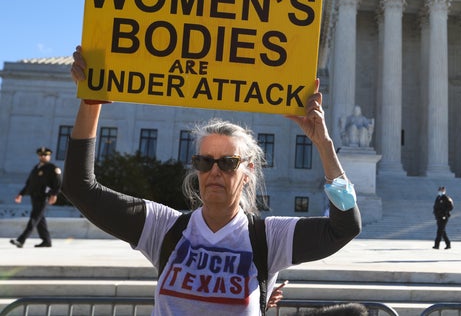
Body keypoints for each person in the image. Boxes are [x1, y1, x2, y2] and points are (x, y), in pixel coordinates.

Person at [64, 46, 361, 315]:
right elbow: (79, 187)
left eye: (228, 163)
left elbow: (345, 226)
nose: (214, 171)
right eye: (204, 162)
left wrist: (323, 144)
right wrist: (90, 103)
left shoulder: (270, 238)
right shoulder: (163, 228)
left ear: (248, 172)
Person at [10, 146, 62, 248]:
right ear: (39, 156)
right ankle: (46, 241)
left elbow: (58, 183)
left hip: (44, 197)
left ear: (49, 156)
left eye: (45, 155)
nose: (43, 157)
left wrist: (54, 195)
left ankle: (21, 240)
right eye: (41, 155)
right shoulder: (36, 168)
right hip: (34, 196)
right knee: (40, 219)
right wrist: (21, 194)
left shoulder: (52, 168)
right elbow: (30, 184)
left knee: (34, 218)